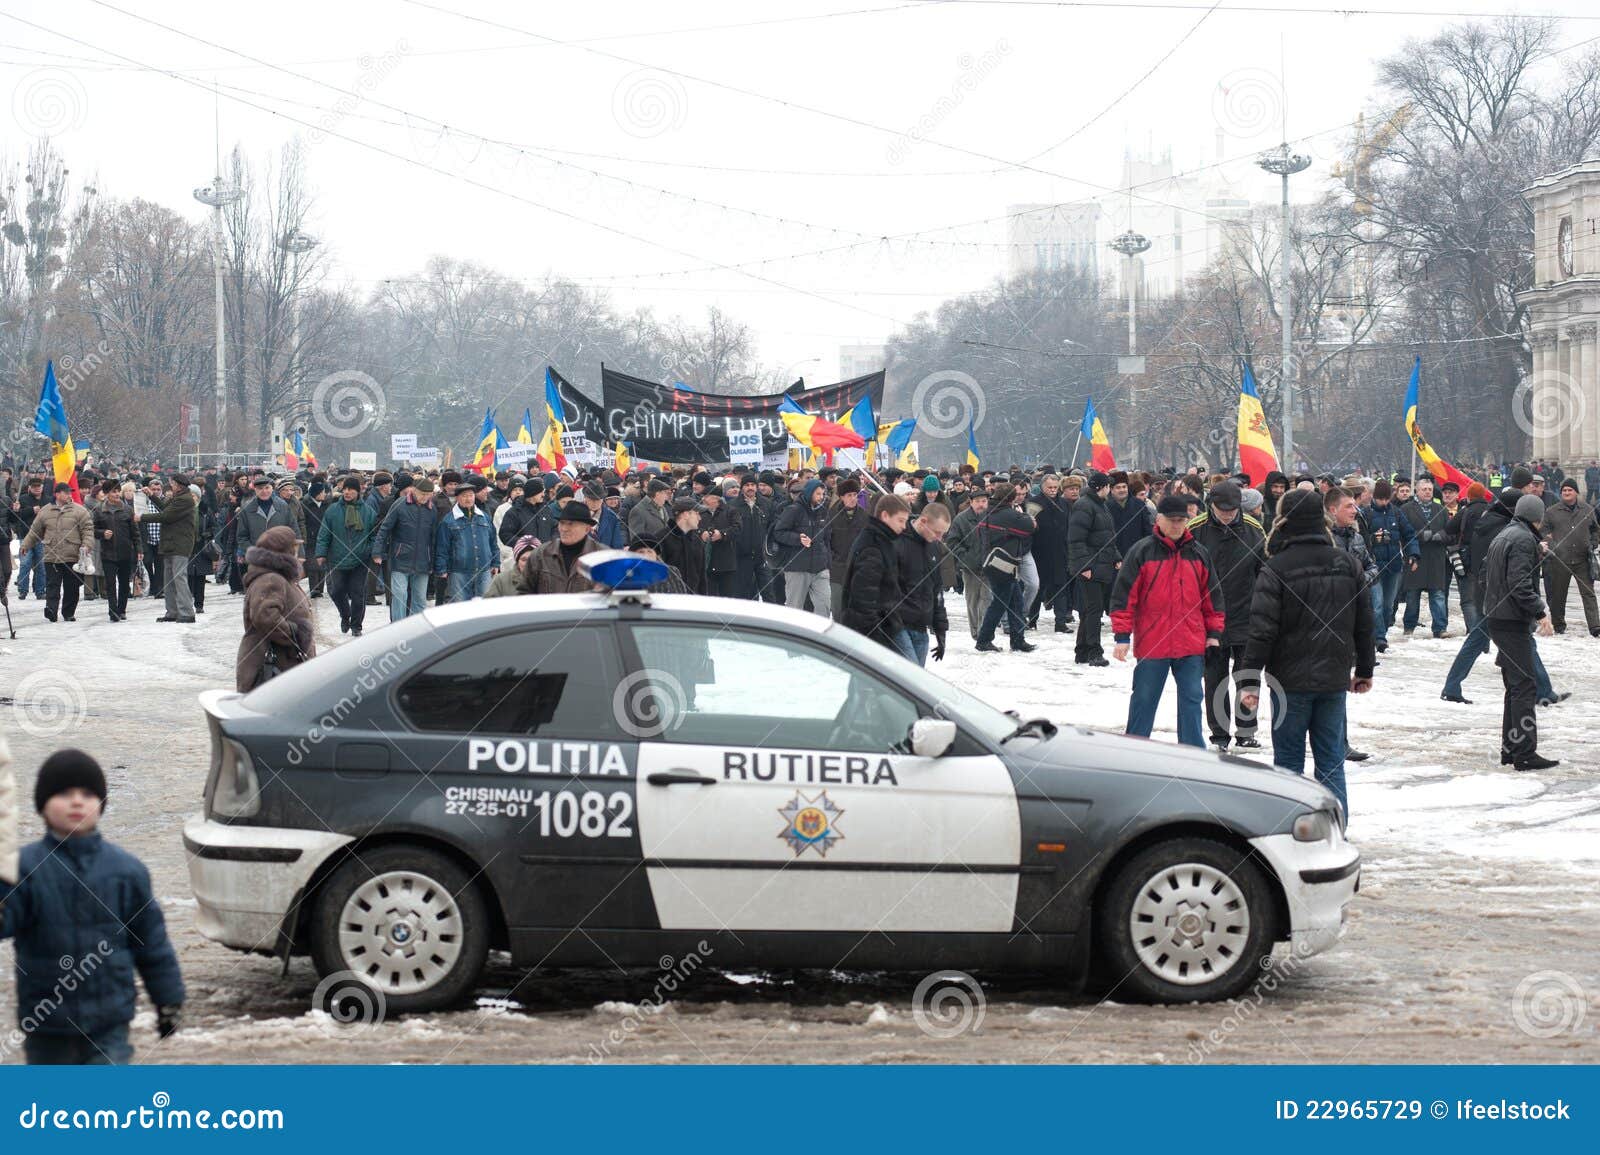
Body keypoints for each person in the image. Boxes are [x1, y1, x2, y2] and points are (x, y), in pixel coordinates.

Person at [0, 745, 185, 1064]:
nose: (76, 801)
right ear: (42, 805)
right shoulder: (23, 868)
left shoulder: (127, 871)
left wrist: (169, 1000)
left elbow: (153, 944)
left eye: (87, 793)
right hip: (46, 1024)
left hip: (108, 1022)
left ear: (100, 804)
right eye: (64, 793)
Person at [1240, 489, 1375, 818]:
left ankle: (1290, 831)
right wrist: (1365, 670)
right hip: (1332, 678)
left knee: (1288, 764)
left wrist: (1249, 680)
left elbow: (1262, 629)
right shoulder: (1348, 564)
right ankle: (1335, 829)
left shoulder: (1276, 567)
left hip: (1289, 681)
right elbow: (1365, 623)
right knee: (1331, 762)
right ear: (1322, 519)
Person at [1110, 493, 1225, 748]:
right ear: (1159, 519)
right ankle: (1135, 749)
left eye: (1181, 520)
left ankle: (1192, 753)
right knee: (1144, 698)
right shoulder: (1141, 552)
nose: (1177, 525)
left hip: (1191, 643)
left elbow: (1212, 598)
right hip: (1153, 642)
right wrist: (1121, 636)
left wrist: (1214, 634)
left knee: (1192, 700)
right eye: (1172, 520)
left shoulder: (1199, 553)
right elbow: (1123, 598)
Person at [1482, 495, 1560, 771]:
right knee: (1525, 685)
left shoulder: (1508, 533)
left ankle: (1510, 749)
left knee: (1514, 686)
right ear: (1535, 517)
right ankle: (1525, 753)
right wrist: (1540, 612)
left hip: (1498, 617)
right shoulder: (1523, 539)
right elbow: (1518, 584)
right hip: (1511, 621)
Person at [1188, 480, 1266, 750]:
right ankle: (1219, 734)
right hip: (1209, 619)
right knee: (1214, 678)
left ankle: (1246, 730)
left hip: (1247, 614)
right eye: (1222, 510)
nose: (1228, 514)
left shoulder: (1255, 530)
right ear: (1211, 505)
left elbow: (1265, 573)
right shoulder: (1195, 529)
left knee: (1248, 676)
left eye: (1232, 510)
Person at [237, 525, 316, 692]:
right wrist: (296, 634)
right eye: (294, 547)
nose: (297, 552)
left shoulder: (279, 577)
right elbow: (265, 617)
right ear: (284, 551)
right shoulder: (271, 578)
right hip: (274, 667)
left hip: (285, 666)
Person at [18, 482, 94, 623]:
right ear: (57, 494)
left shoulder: (80, 510)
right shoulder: (45, 511)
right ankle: (51, 610)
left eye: (69, 492)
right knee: (52, 585)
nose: (68, 495)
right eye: (65, 492)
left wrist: (87, 545)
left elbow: (88, 530)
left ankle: (68, 612)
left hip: (73, 555)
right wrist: (26, 545)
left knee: (72, 587)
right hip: (51, 555)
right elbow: (35, 531)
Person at [841, 493, 909, 651]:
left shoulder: (883, 539)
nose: (904, 526)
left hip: (882, 627)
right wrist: (878, 639)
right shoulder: (873, 546)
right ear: (885, 515)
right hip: (871, 633)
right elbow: (863, 599)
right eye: (900, 520)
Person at [1067, 470, 1120, 666]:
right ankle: (1093, 652)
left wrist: (1116, 557)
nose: (1110, 489)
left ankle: (1081, 651)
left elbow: (1107, 536)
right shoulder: (1084, 506)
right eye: (1108, 486)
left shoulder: (1100, 505)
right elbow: (1076, 540)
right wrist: (1085, 566)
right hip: (1090, 568)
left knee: (1090, 611)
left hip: (1102, 565)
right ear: (1101, 487)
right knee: (1094, 611)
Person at [975, 484, 1036, 654]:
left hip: (992, 561)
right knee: (1000, 603)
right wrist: (1026, 517)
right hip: (1004, 564)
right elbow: (1030, 527)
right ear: (1011, 498)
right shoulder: (1009, 514)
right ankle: (984, 640)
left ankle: (1018, 640)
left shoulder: (988, 511)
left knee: (1016, 601)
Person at [315, 476, 379, 637]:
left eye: (351, 489)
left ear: (358, 491)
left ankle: (356, 625)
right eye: (345, 489)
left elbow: (375, 536)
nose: (347, 492)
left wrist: (368, 550)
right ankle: (345, 615)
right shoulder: (333, 510)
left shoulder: (368, 512)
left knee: (358, 593)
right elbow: (324, 533)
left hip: (360, 559)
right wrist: (321, 553)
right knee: (336, 590)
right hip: (337, 558)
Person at [136, 474, 200, 623]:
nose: (170, 485)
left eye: (171, 483)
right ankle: (172, 612)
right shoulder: (178, 497)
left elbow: (166, 516)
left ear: (178, 484)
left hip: (180, 544)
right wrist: (151, 496)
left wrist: (142, 517)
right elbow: (166, 508)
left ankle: (187, 612)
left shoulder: (185, 499)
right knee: (169, 580)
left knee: (179, 578)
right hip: (170, 543)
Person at [1540, 478, 1600, 635]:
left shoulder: (1587, 510)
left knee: (1588, 594)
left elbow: (1595, 529)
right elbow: (1543, 532)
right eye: (1564, 491)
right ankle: (1559, 624)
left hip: (1582, 560)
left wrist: (1593, 543)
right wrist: (1552, 546)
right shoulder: (1551, 511)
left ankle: (1595, 626)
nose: (1566, 493)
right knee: (1558, 594)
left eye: (1569, 490)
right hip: (1560, 560)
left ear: (1576, 492)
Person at [374, 475, 439, 621]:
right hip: (400, 558)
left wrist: (434, 560)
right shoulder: (399, 504)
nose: (425, 498)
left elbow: (434, 537)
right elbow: (384, 529)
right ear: (413, 490)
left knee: (420, 600)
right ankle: (398, 628)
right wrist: (377, 551)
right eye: (422, 494)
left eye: (429, 495)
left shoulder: (431, 509)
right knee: (400, 596)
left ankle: (416, 629)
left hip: (423, 560)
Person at [894, 503, 951, 665]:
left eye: (943, 534)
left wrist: (941, 631)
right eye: (937, 532)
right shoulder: (898, 541)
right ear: (923, 521)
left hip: (921, 626)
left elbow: (937, 590)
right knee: (908, 678)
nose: (940, 538)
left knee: (915, 681)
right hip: (898, 625)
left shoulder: (933, 547)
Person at [1364, 479, 1415, 651]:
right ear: (1374, 497)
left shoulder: (1397, 513)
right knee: (1377, 605)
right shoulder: (1367, 514)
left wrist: (1413, 554)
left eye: (1386, 499)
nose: (1383, 502)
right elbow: (1361, 540)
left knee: (1388, 605)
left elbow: (1409, 534)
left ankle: (1382, 633)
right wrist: (1373, 539)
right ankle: (1379, 638)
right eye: (1380, 499)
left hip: (1394, 566)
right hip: (1375, 567)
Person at [772, 478, 833, 617]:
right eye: (818, 494)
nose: (821, 497)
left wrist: (828, 562)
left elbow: (827, 538)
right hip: (797, 568)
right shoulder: (793, 510)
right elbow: (778, 532)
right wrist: (797, 538)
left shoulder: (823, 511)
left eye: (823, 494)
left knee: (824, 606)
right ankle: (792, 637)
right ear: (810, 493)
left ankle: (819, 637)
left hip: (820, 568)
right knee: (795, 609)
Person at [1399, 474, 1451, 638]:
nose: (1428, 492)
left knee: (1438, 595)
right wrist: (1421, 535)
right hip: (1416, 557)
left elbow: (1450, 533)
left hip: (1436, 558)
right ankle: (1409, 626)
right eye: (1424, 489)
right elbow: (1402, 533)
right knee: (1413, 595)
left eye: (1429, 489)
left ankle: (1440, 628)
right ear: (1417, 490)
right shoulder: (1406, 509)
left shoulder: (1441, 510)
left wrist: (1440, 535)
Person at [434, 483, 499, 602]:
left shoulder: (484, 517)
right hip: (459, 572)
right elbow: (442, 547)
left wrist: (496, 562)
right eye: (464, 496)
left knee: (485, 607)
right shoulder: (448, 521)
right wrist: (441, 569)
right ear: (457, 498)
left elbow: (493, 542)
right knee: (461, 608)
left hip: (484, 570)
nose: (468, 499)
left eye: (471, 495)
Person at [522, 501, 605, 594]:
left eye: (571, 524)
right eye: (562, 523)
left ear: (587, 529)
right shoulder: (540, 554)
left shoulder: (603, 558)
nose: (564, 529)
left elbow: (614, 595)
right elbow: (524, 592)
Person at [947, 486, 992, 638]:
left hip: (989, 566)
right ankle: (975, 631)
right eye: (978, 501)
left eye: (984, 501)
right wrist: (965, 559)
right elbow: (952, 542)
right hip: (969, 568)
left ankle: (983, 632)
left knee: (986, 599)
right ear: (971, 502)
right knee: (973, 600)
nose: (981, 504)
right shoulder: (961, 519)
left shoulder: (992, 517)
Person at [91, 480, 139, 622]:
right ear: (106, 494)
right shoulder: (99, 510)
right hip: (108, 553)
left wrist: (139, 549)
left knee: (124, 584)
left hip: (125, 553)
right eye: (113, 491)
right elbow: (91, 530)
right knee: (110, 584)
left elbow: (135, 532)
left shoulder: (127, 510)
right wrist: (101, 533)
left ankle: (122, 609)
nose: (117, 494)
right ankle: (113, 611)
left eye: (118, 491)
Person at [826, 479, 869, 617]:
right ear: (841, 497)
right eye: (849, 495)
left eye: (855, 495)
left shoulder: (864, 516)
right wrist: (832, 559)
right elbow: (826, 541)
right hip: (837, 570)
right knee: (837, 608)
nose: (853, 498)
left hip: (858, 570)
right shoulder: (832, 515)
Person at [658, 498, 708, 595]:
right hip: (670, 602)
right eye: (697, 513)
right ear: (685, 514)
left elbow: (702, 577)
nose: (700, 518)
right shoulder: (661, 539)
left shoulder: (697, 542)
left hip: (694, 602)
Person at [9, 476, 47, 600]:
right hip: (25, 537)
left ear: (42, 487)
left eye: (39, 486)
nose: (37, 489)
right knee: (25, 564)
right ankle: (23, 590)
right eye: (34, 487)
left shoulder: (47, 500)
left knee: (41, 565)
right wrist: (31, 510)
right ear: (29, 488)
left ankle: (40, 590)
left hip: (42, 537)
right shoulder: (22, 499)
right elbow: (16, 517)